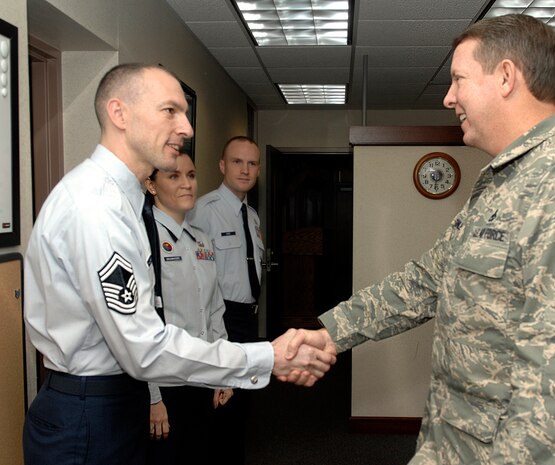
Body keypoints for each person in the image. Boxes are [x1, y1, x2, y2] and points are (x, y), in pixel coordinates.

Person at [284, 14, 555, 465]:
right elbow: (428, 280)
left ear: (506, 77)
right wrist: (331, 333)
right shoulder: (500, 181)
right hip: (453, 440)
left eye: (458, 79)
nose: (448, 97)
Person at [22, 63, 335, 465]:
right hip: (89, 410)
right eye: (170, 111)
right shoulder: (95, 207)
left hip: (114, 399)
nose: (186, 128)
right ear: (120, 114)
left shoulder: (122, 204)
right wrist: (266, 357)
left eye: (184, 114)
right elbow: (144, 349)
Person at [143, 152, 233, 464]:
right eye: (174, 176)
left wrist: (223, 373)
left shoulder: (202, 240)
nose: (187, 184)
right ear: (151, 185)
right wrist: (153, 398)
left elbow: (215, 312)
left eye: (191, 175)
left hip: (203, 377)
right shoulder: (142, 239)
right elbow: (140, 327)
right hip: (166, 384)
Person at [188, 135, 264, 464]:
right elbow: (191, 276)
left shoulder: (251, 215)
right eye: (237, 162)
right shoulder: (203, 211)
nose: (245, 170)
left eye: (252, 163)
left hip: (247, 319)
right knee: (220, 406)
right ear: (222, 165)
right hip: (220, 320)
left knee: (243, 399)